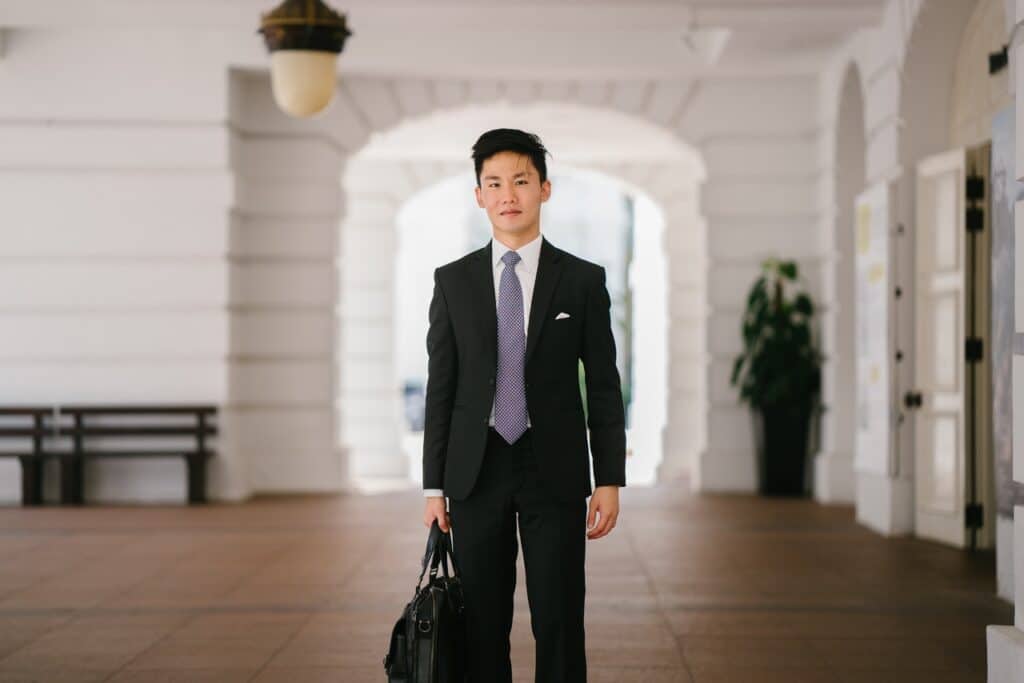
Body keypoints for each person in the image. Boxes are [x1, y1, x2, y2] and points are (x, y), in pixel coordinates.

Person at [421, 128, 626, 683]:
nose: (508, 193)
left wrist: (608, 477)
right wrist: (433, 487)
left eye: (520, 180)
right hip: (475, 470)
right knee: (482, 625)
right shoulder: (453, 282)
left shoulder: (582, 281)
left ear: (544, 189)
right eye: (494, 183)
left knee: (560, 619)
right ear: (479, 196)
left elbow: (604, 385)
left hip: (553, 469)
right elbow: (441, 390)